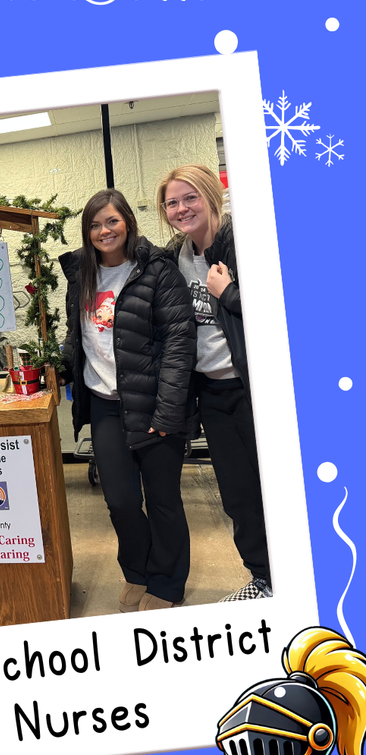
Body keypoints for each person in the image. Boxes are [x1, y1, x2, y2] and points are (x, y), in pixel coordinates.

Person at [60, 189, 196, 612]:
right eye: (96, 225)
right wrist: (61, 365)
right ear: (87, 232)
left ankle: (168, 582)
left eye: (112, 221)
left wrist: (169, 409)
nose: (104, 231)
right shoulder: (81, 275)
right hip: (104, 403)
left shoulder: (158, 271)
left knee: (162, 499)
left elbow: (179, 342)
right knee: (120, 500)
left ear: (127, 224)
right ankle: (137, 571)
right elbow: (78, 335)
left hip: (155, 402)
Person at [156, 164, 271, 601]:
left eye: (190, 198)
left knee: (275, 487)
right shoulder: (175, 256)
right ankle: (264, 579)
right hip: (210, 393)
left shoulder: (240, 244)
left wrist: (230, 294)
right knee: (238, 495)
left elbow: (288, 304)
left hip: (251, 389)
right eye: (172, 202)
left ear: (210, 196)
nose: (182, 208)